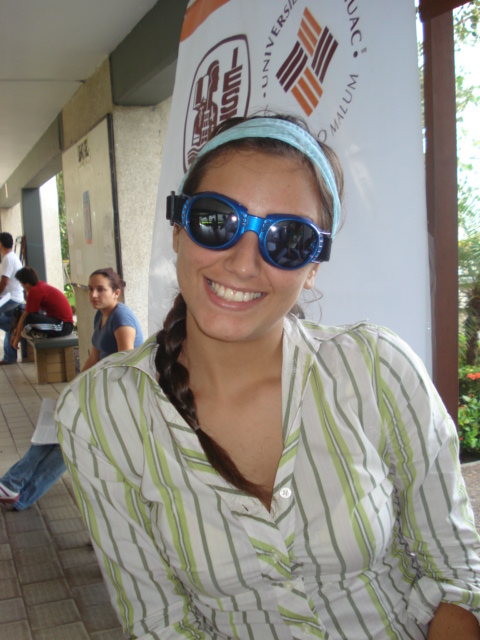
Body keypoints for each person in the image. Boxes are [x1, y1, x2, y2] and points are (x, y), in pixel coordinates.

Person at [56, 115, 480, 639]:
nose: (243, 263)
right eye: (216, 221)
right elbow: (161, 623)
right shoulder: (100, 411)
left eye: (289, 239)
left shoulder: (376, 368)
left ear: (314, 266)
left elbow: (458, 573)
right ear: (178, 227)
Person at [0, 267, 143, 511]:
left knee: (67, 434)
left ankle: (13, 486)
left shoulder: (121, 319)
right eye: (91, 289)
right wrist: (72, 389)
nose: (93, 295)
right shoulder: (101, 316)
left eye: (101, 289)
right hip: (102, 390)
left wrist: (88, 398)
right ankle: (17, 492)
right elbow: (94, 357)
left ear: (116, 293)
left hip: (120, 397)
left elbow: (125, 367)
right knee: (65, 439)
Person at [9, 267, 74, 351]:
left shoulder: (35, 291)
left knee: (28, 319)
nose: (22, 287)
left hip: (63, 326)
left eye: (22, 285)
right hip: (61, 323)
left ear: (27, 284)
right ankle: (35, 333)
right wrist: (15, 333)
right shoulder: (40, 286)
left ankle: (31, 333)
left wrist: (17, 337)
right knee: (28, 319)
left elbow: (25, 316)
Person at [0, 232, 25, 364]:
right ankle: (9, 358)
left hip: (11, 298)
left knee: (9, 324)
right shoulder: (12, 257)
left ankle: (11, 323)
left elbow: (4, 281)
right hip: (13, 297)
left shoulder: (7, 259)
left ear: (0, 244)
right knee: (9, 326)